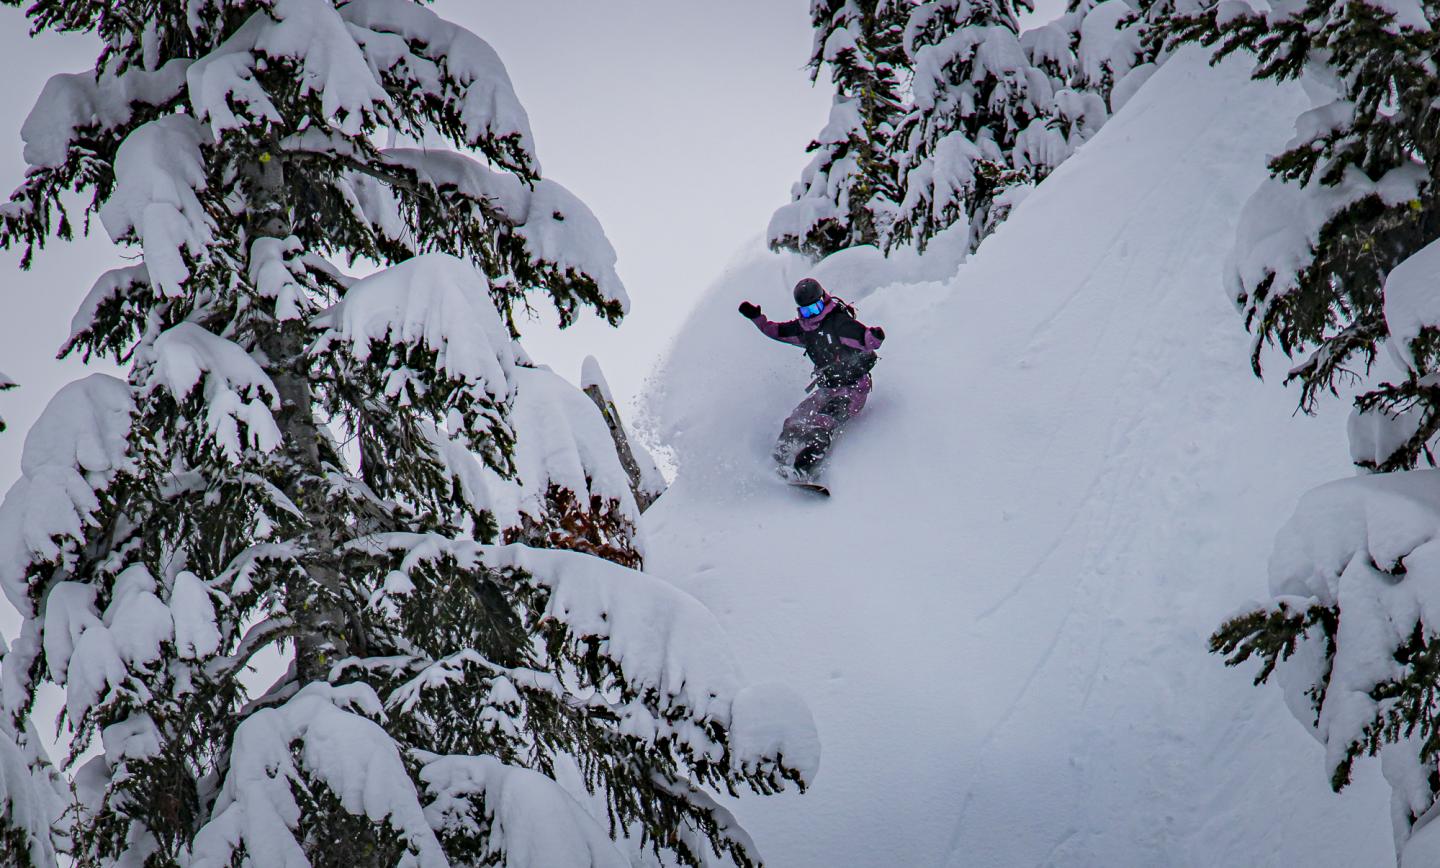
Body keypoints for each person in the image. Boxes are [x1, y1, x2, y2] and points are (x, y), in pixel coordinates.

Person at [738, 277, 885, 480]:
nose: (812, 315)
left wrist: (874, 336)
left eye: (815, 308)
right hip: (827, 388)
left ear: (823, 300)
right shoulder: (804, 329)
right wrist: (757, 319)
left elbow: (866, 339)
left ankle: (803, 469)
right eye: (806, 311)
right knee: (797, 418)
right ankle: (780, 456)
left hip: (853, 388)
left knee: (821, 423)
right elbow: (776, 331)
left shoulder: (839, 323)